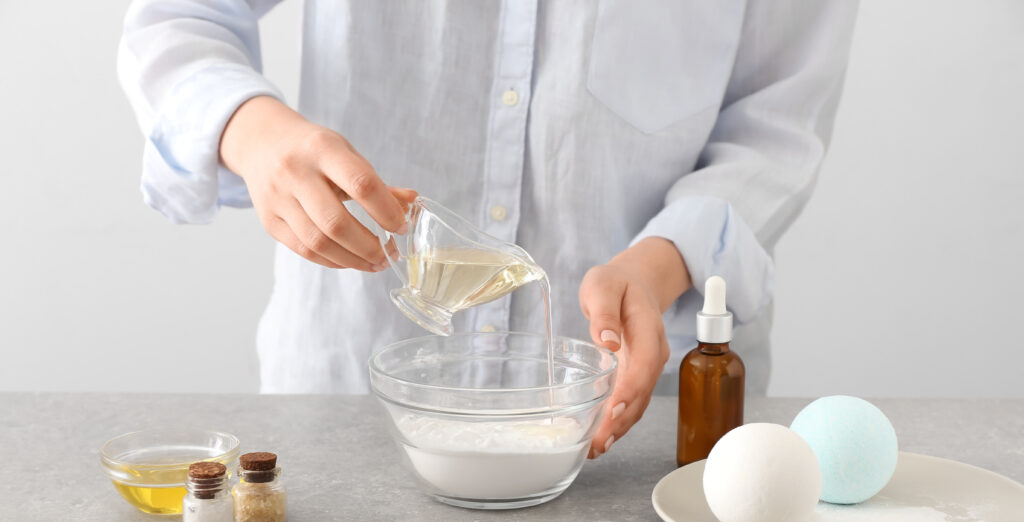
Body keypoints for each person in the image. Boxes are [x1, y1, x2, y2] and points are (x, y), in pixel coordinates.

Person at [118, 1, 857, 457]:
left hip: (627, 422)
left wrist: (661, 261)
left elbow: (779, 121)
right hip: (350, 392)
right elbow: (175, 19)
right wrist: (250, 131)